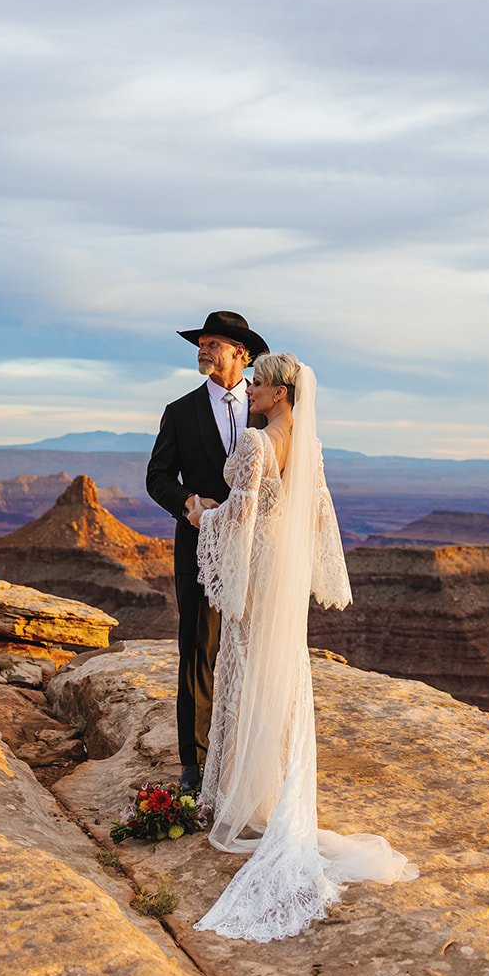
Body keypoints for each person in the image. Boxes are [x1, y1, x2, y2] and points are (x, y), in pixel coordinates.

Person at [186, 351, 414, 942]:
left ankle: (243, 797)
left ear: (281, 394)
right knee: (279, 676)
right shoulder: (308, 447)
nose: (251, 392)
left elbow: (240, 515)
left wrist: (200, 516)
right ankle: (273, 792)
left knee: (243, 670)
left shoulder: (259, 445)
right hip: (282, 572)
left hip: (259, 573)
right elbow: (315, 516)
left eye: (258, 384)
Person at [146, 310, 269, 793]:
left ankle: (248, 752)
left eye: (214, 343)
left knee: (253, 645)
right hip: (201, 544)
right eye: (201, 342)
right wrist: (188, 503)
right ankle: (194, 763)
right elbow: (157, 477)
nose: (203, 349)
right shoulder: (180, 411)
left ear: (242, 354)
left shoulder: (268, 407)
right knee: (199, 647)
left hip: (259, 546)